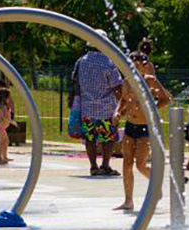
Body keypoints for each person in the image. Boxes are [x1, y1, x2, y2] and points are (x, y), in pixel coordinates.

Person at [113, 51, 172, 211]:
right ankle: (128, 201)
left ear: (144, 66)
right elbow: (123, 100)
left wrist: (150, 109)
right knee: (126, 164)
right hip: (130, 125)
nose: (134, 68)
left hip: (145, 127)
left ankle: (156, 185)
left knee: (140, 164)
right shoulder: (127, 82)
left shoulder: (151, 82)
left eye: (137, 65)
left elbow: (166, 99)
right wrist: (117, 111)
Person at [73, 40, 124, 176]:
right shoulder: (108, 62)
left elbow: (75, 81)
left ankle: (93, 166)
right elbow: (117, 85)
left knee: (90, 138)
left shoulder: (81, 61)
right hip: (106, 108)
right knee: (108, 138)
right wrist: (122, 105)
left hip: (87, 108)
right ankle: (105, 165)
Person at [0, 87, 13, 165]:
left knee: (6, 141)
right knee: (1, 142)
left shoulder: (3, 106)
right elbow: (2, 117)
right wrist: (11, 121)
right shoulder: (2, 107)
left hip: (0, 127)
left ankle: (4, 157)